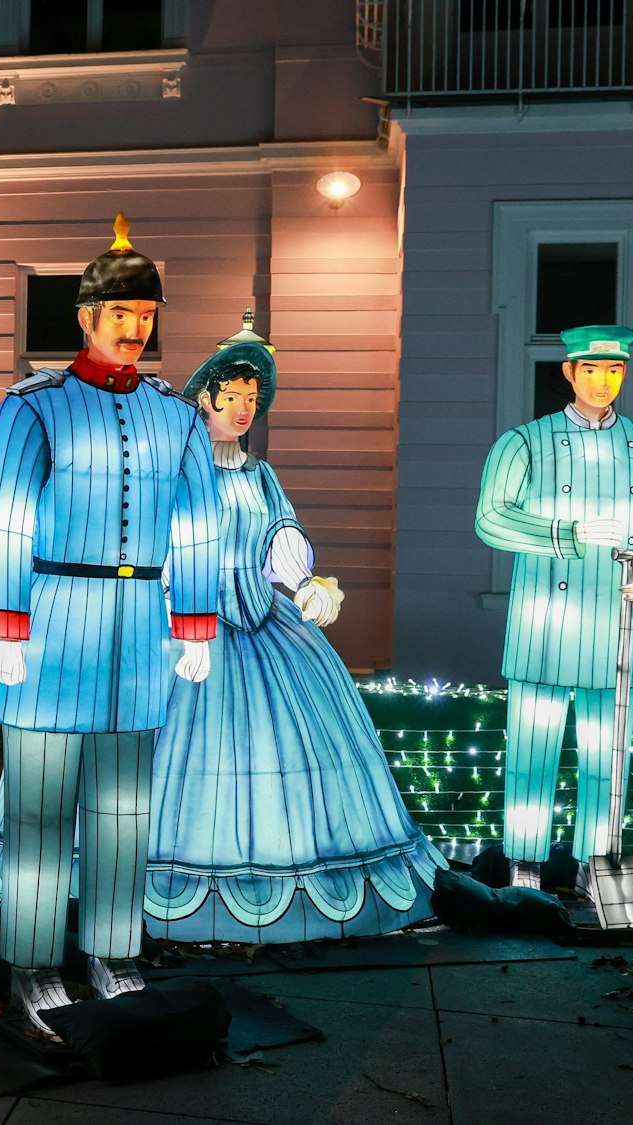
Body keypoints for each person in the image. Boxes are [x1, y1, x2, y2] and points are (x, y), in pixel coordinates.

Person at [0, 214, 219, 1033]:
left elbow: (198, 519)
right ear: (86, 317)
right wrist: (7, 622)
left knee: (123, 808)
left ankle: (113, 949)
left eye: (146, 317)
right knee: (38, 808)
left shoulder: (178, 417)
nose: (134, 331)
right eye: (120, 316)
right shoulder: (33, 406)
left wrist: (195, 619)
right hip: (55, 618)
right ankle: (32, 962)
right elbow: (3, 514)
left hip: (139, 626)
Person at [143, 339, 447, 942]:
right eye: (229, 397)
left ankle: (312, 873)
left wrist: (307, 582)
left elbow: (281, 530)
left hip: (262, 624)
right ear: (202, 399)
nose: (241, 410)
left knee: (295, 747)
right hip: (181, 629)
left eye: (251, 399)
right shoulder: (173, 475)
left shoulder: (262, 475)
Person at [474, 325, 633, 908]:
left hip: (615, 633)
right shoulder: (522, 443)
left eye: (614, 371)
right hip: (542, 629)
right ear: (569, 373)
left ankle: (599, 873)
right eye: (591, 370)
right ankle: (523, 872)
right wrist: (560, 533)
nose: (603, 381)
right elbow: (491, 518)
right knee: (530, 759)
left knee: (607, 763)